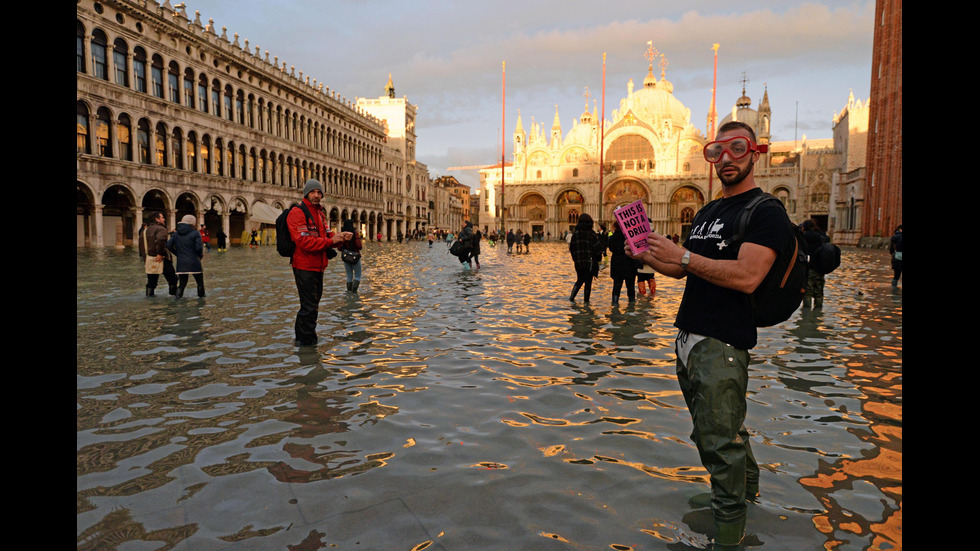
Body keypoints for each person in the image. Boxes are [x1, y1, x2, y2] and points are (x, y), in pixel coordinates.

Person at [627, 121, 790, 547]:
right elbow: (685, 271)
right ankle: (740, 491)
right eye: (717, 151)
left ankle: (730, 528)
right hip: (690, 338)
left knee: (718, 440)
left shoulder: (765, 210)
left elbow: (749, 276)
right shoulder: (708, 211)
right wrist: (648, 255)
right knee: (717, 428)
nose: (727, 159)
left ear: (755, 152)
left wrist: (684, 255)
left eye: (738, 148)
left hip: (723, 341)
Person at [288, 179, 352, 346]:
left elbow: (327, 235)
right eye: (313, 192)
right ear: (306, 193)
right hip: (304, 266)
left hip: (318, 266)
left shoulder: (320, 214)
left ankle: (300, 340)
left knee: (311, 306)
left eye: (319, 192)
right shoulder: (297, 213)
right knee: (309, 308)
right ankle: (309, 345)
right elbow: (304, 242)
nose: (316, 195)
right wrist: (331, 242)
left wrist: (341, 237)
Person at [139, 211, 178, 297]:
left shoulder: (144, 231)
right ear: (157, 219)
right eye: (162, 217)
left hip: (150, 259)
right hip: (163, 259)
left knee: (151, 283)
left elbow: (141, 247)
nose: (164, 219)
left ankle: (149, 299)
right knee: (173, 279)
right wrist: (160, 253)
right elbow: (161, 241)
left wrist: (146, 259)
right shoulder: (162, 229)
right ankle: (173, 298)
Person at [167, 214, 206, 298]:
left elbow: (168, 245)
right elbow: (199, 248)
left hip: (181, 262)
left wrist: (178, 254)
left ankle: (177, 300)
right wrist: (199, 257)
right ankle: (201, 301)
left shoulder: (176, 234)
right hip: (194, 261)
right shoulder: (196, 233)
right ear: (192, 223)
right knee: (199, 283)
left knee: (182, 284)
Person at [568, 213, 601, 303]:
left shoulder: (575, 234)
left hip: (578, 263)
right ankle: (586, 302)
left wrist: (575, 259)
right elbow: (598, 248)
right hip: (589, 263)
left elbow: (571, 248)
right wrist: (597, 259)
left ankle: (571, 298)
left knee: (579, 280)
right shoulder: (592, 234)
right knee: (588, 283)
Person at [607, 220, 637, 304]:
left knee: (616, 286)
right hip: (630, 264)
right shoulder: (631, 238)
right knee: (631, 287)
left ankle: (614, 305)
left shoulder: (612, 238)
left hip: (617, 265)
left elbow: (611, 249)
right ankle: (632, 308)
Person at [801, 219, 828, 308]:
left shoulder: (803, 237)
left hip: (808, 268)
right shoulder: (821, 237)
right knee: (819, 293)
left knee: (807, 293)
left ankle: (806, 316)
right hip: (820, 268)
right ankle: (818, 312)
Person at [338, 218, 363, 292]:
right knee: (357, 276)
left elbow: (339, 248)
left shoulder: (343, 235)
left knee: (349, 276)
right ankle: (354, 292)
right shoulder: (355, 233)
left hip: (346, 257)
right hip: (355, 257)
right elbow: (359, 246)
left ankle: (349, 292)